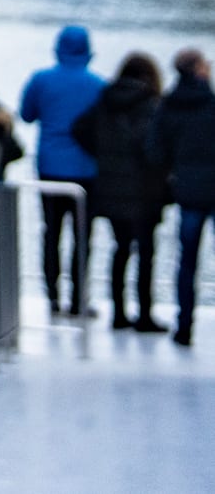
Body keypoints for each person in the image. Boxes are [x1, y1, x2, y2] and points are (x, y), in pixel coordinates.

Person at [75, 53, 173, 331]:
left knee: (120, 250)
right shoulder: (153, 105)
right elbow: (154, 148)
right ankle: (144, 313)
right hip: (146, 190)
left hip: (110, 188)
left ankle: (118, 312)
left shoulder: (105, 101)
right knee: (146, 252)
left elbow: (79, 128)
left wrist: (103, 155)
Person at [23, 25, 108, 317]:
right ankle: (78, 300)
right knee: (83, 236)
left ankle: (53, 297)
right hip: (87, 170)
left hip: (49, 167)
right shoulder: (99, 85)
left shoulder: (41, 80)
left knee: (51, 233)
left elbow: (26, 114)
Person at [150, 49, 215, 347]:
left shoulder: (169, 106)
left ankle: (184, 326)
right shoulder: (211, 104)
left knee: (187, 260)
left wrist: (172, 173)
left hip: (187, 191)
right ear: (199, 71)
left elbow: (154, 149)